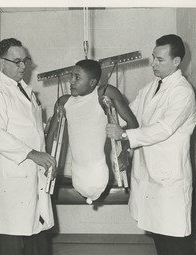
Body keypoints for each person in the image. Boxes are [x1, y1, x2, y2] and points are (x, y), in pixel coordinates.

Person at [106, 34, 196, 255]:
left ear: (176, 61)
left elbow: (164, 128)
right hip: (149, 171)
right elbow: (131, 114)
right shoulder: (150, 88)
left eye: (160, 59)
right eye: (153, 58)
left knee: (175, 237)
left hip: (170, 176)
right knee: (158, 230)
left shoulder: (182, 92)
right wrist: (112, 110)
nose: (153, 64)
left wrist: (124, 135)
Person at [0, 38, 69, 255]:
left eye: (25, 61)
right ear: (1, 62)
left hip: (33, 167)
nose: (23, 66)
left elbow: (30, 129)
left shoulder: (25, 90)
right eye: (16, 61)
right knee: (10, 230)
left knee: (37, 222)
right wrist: (31, 154)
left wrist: (50, 123)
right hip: (13, 170)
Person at [46, 59, 138, 204]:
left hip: (97, 173)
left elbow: (133, 124)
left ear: (92, 82)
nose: (71, 81)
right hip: (77, 175)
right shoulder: (64, 102)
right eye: (71, 76)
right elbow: (51, 134)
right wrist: (49, 163)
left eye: (77, 77)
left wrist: (124, 154)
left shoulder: (104, 93)